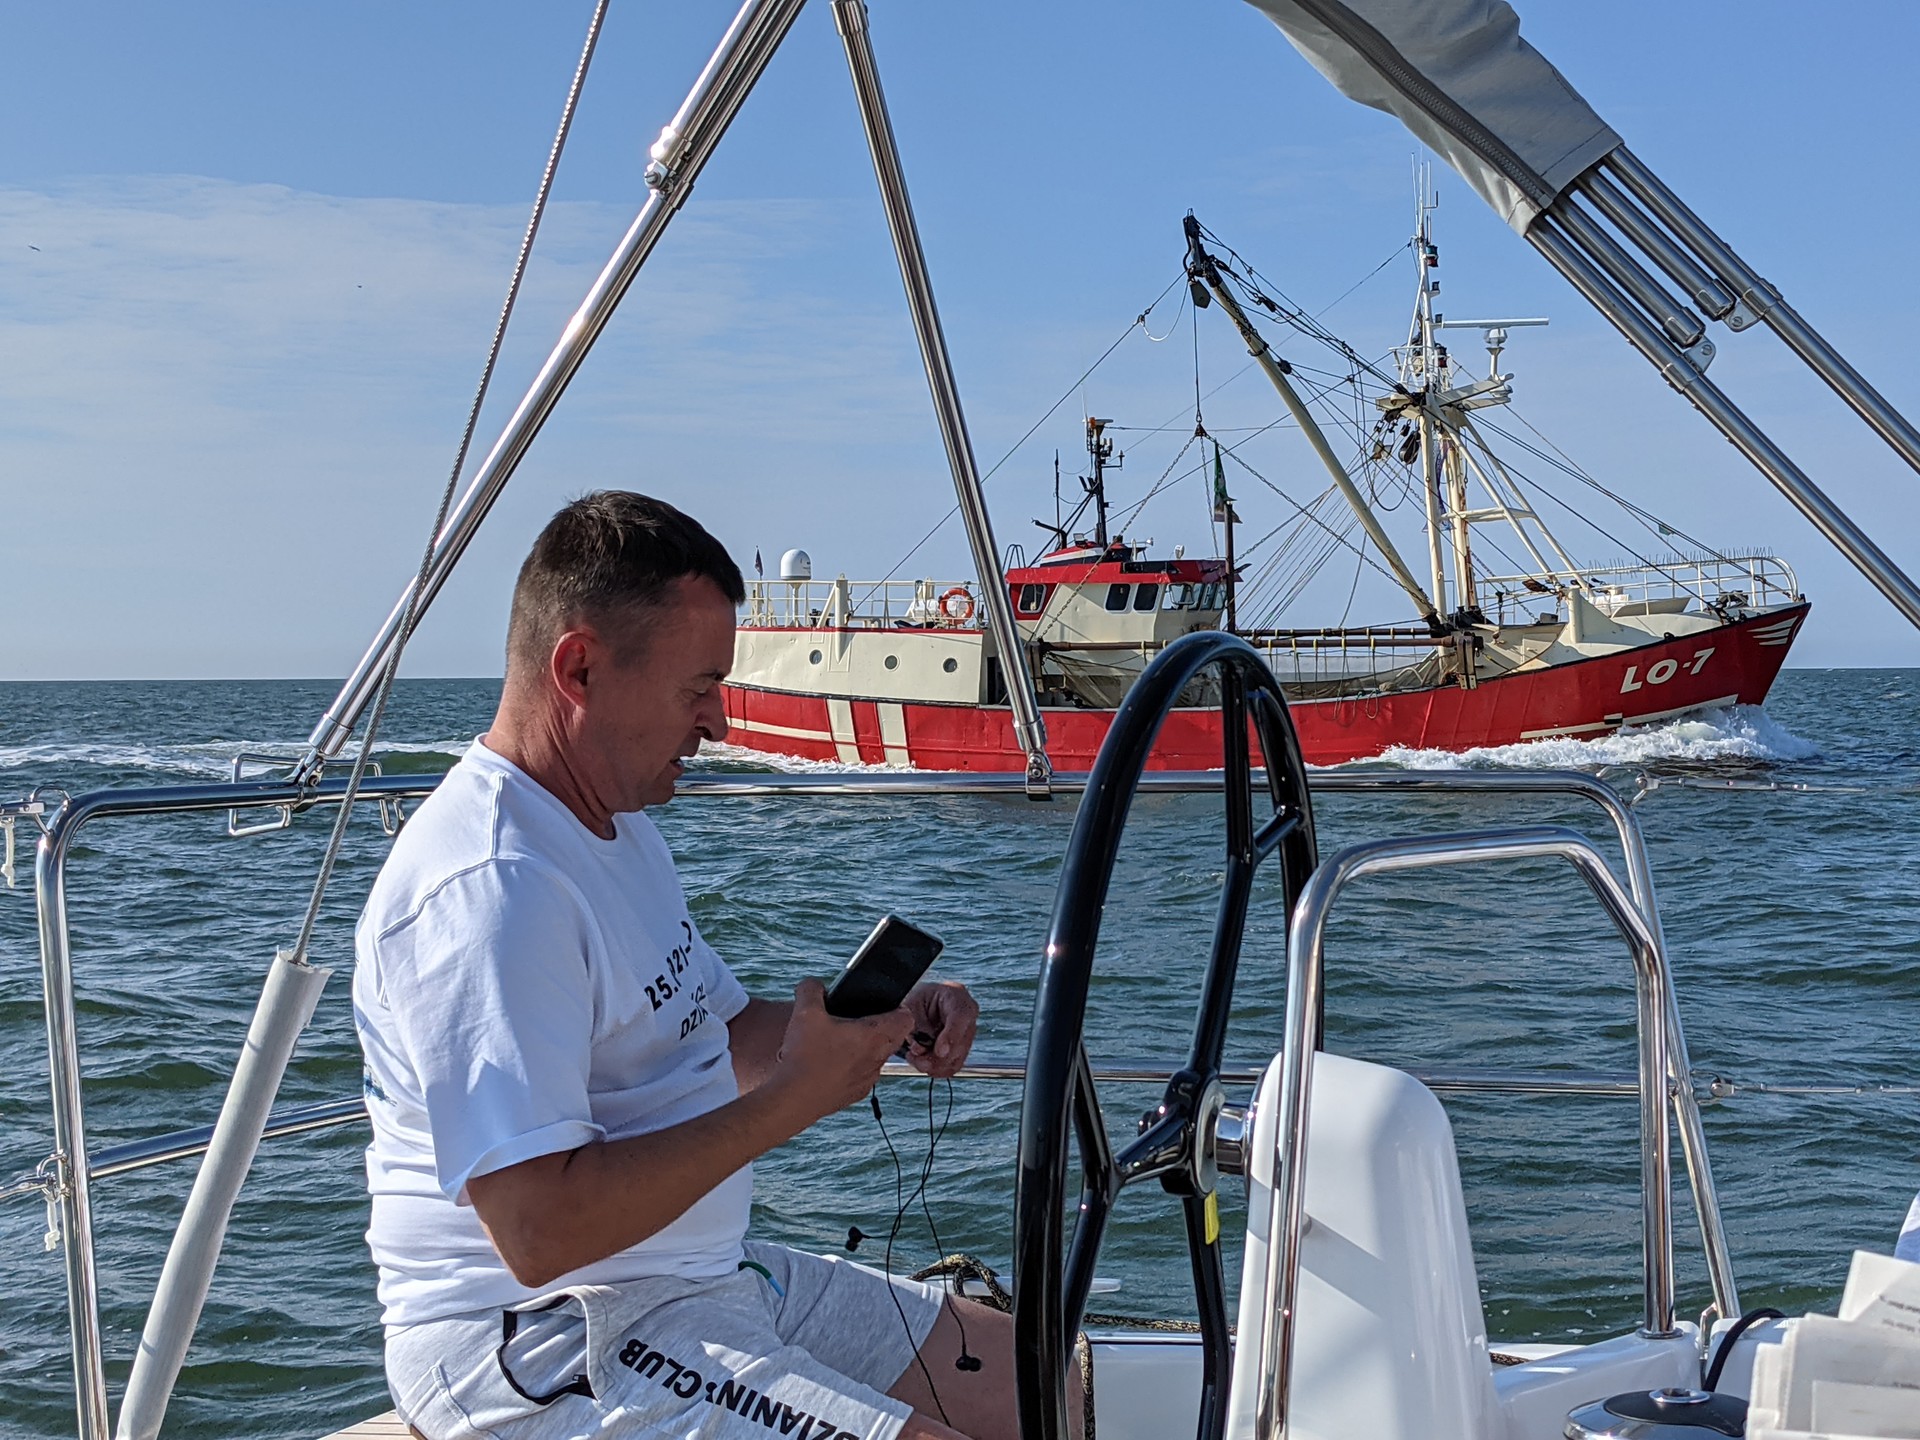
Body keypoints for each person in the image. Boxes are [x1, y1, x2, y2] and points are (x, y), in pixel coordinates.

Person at [353, 491, 1015, 1440]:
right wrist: (794, 1101)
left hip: (705, 1277)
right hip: (544, 1333)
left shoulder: (615, 824)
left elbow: (718, 1030)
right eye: (697, 687)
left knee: (1045, 1380)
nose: (720, 723)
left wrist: (878, 1021)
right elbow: (538, 1231)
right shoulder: (492, 888)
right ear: (578, 668)